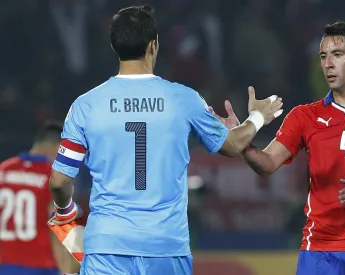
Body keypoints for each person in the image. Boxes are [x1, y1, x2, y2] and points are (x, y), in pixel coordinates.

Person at [47, 4, 283, 275]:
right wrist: (257, 118)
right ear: (153, 45)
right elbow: (231, 145)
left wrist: (65, 212)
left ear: (115, 46)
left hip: (108, 248)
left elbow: (59, 181)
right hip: (166, 248)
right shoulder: (183, 98)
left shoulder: (85, 106)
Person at [210, 21, 345, 275]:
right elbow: (267, 164)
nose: (327, 64)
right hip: (318, 250)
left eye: (337, 55)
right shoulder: (304, 116)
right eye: (323, 56)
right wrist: (241, 141)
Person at [0, 121, 79, 275]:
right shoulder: (54, 177)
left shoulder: (3, 170)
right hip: (39, 267)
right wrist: (65, 271)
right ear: (59, 148)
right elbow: (57, 230)